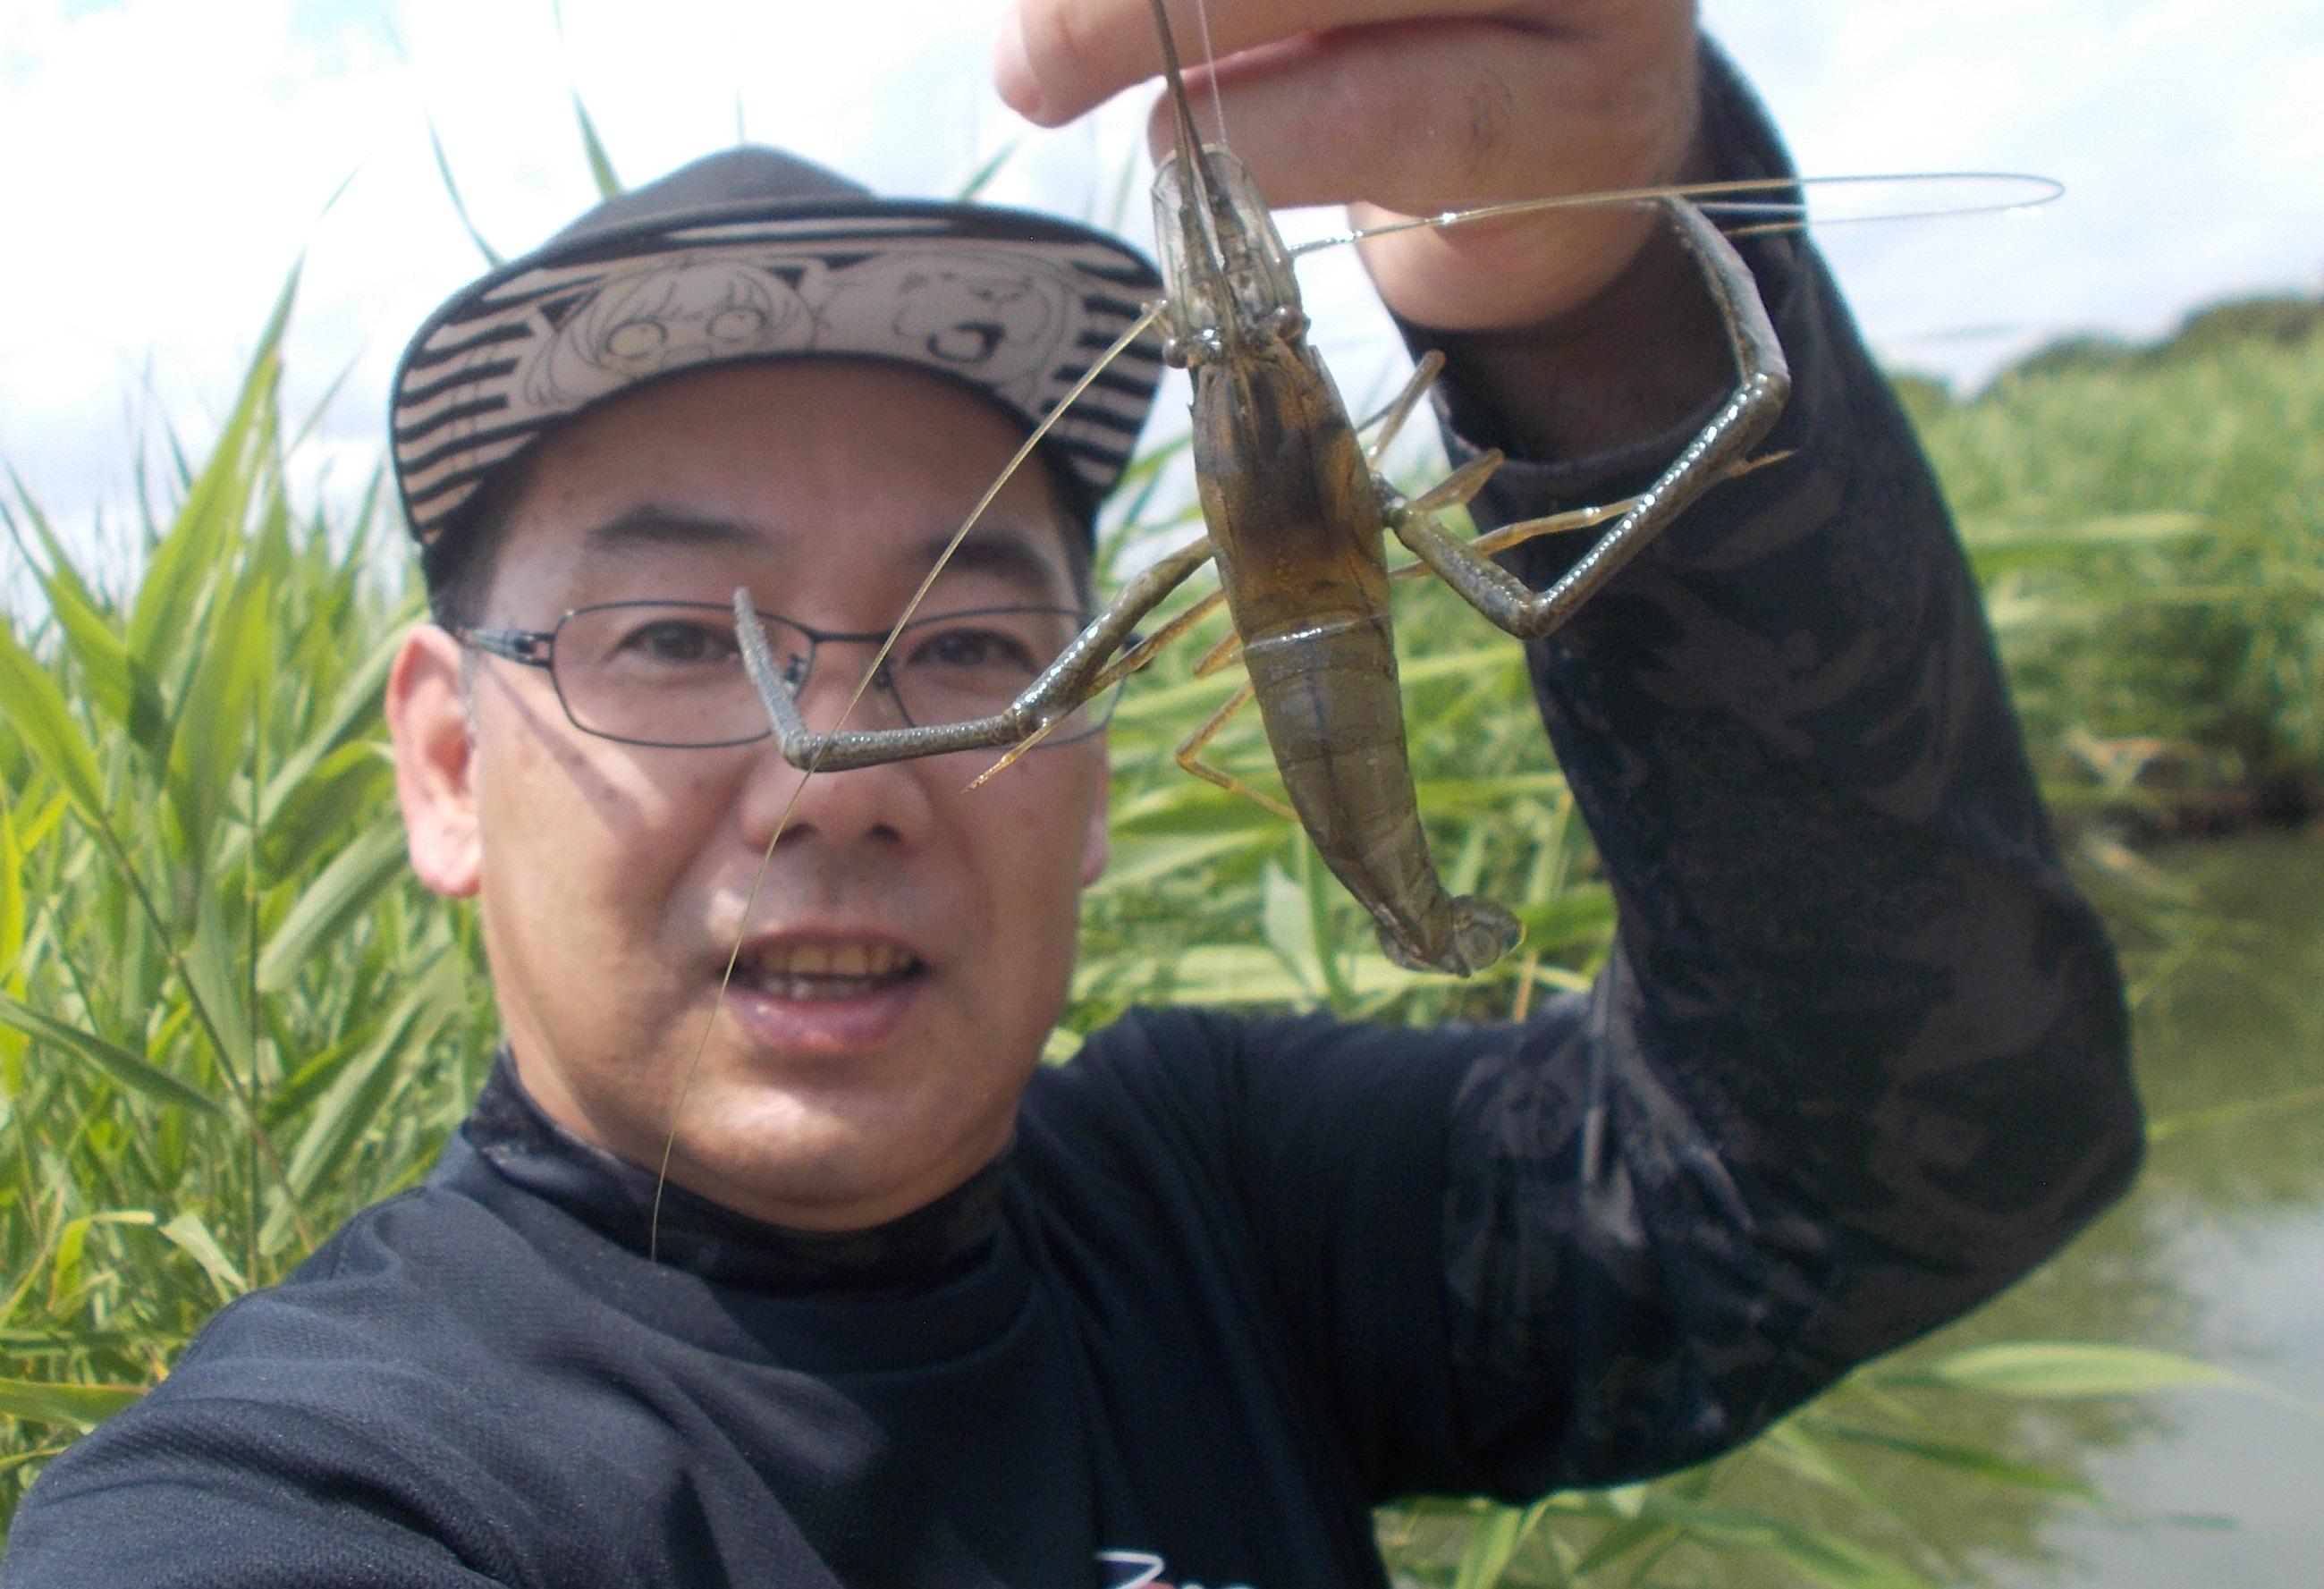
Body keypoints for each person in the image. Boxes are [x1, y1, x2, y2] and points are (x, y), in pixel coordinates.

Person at [4, 2, 2143, 1585]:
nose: (835, 783)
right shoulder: (317, 1497)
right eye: (678, 642)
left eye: (971, 648)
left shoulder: (1218, 1210)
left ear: (1102, 749)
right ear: (448, 764)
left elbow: (1926, 1150)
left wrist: (1590, 283)